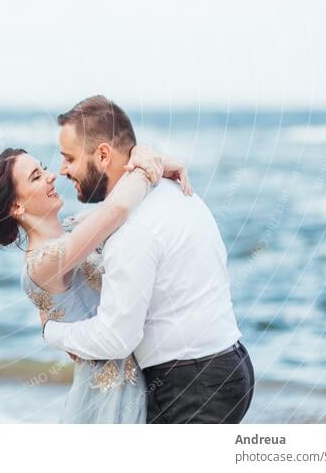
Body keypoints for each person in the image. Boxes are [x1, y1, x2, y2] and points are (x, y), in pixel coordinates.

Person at [41, 95, 255, 424]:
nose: (62, 170)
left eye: (69, 158)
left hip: (192, 385)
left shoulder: (133, 230)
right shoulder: (168, 189)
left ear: (102, 154)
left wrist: (51, 332)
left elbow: (116, 338)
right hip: (225, 366)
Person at [0, 142, 191, 422]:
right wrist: (149, 165)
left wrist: (148, 157)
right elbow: (115, 210)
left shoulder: (72, 229)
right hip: (110, 397)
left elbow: (121, 201)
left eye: (42, 168)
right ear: (17, 206)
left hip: (138, 376)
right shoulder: (41, 264)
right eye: (36, 177)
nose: (50, 175)